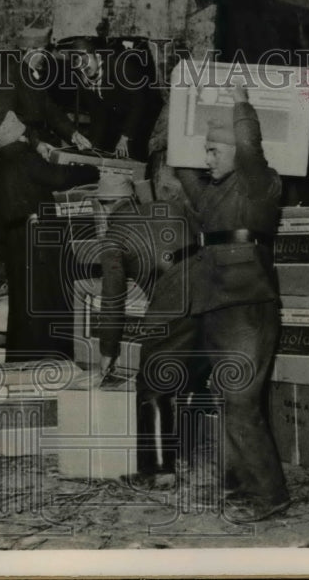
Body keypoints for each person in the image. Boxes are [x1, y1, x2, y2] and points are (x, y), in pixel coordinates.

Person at [174, 83, 290, 524]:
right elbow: (184, 172)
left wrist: (241, 103)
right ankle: (241, 484)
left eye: (214, 151)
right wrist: (176, 112)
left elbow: (249, 145)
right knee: (225, 398)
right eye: (205, 151)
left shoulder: (259, 184)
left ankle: (270, 493)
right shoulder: (215, 193)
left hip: (247, 307)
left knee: (240, 401)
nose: (208, 159)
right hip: (217, 304)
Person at [97, 153, 208, 489]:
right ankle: (188, 453)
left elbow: (112, 300)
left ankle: (159, 470)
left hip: (172, 300)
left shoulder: (113, 237)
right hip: (212, 290)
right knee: (194, 372)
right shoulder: (169, 208)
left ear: (104, 207)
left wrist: (108, 349)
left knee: (152, 383)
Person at [0, 111, 100, 361]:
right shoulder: (24, 157)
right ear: (22, 136)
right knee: (47, 299)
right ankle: (52, 358)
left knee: (24, 306)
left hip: (17, 243)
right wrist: (92, 170)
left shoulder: (2, 163)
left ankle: (24, 360)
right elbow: (59, 178)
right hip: (38, 242)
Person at [0, 27, 92, 160]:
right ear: (29, 50)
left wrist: (73, 134)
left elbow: (50, 111)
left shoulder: (33, 75)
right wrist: (36, 143)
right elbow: (4, 121)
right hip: (21, 150)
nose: (46, 57)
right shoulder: (10, 76)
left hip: (37, 145)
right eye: (42, 52)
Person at [69, 37, 160, 161]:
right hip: (120, 116)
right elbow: (98, 115)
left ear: (96, 55)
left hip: (146, 115)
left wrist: (126, 137)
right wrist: (93, 147)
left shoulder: (119, 67)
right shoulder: (85, 78)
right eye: (78, 63)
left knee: (136, 156)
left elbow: (139, 103)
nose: (84, 67)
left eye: (85, 60)